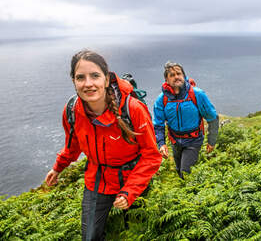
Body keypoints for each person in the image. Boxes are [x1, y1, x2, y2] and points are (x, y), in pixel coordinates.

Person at [45, 50, 162, 240]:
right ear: (73, 81)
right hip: (97, 179)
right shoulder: (72, 111)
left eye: (95, 76)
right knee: (90, 236)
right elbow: (72, 145)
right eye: (80, 77)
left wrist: (130, 190)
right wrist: (58, 168)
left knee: (136, 232)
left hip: (134, 176)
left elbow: (151, 155)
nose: (88, 83)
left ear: (106, 79)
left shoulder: (132, 109)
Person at [153, 61, 219, 179]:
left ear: (184, 76)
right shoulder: (162, 99)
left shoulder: (197, 94)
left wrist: (211, 140)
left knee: (185, 172)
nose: (176, 77)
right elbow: (158, 124)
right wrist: (161, 144)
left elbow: (212, 118)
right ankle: (185, 191)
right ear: (166, 81)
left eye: (179, 73)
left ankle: (192, 193)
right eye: (172, 75)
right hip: (175, 140)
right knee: (179, 170)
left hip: (194, 140)